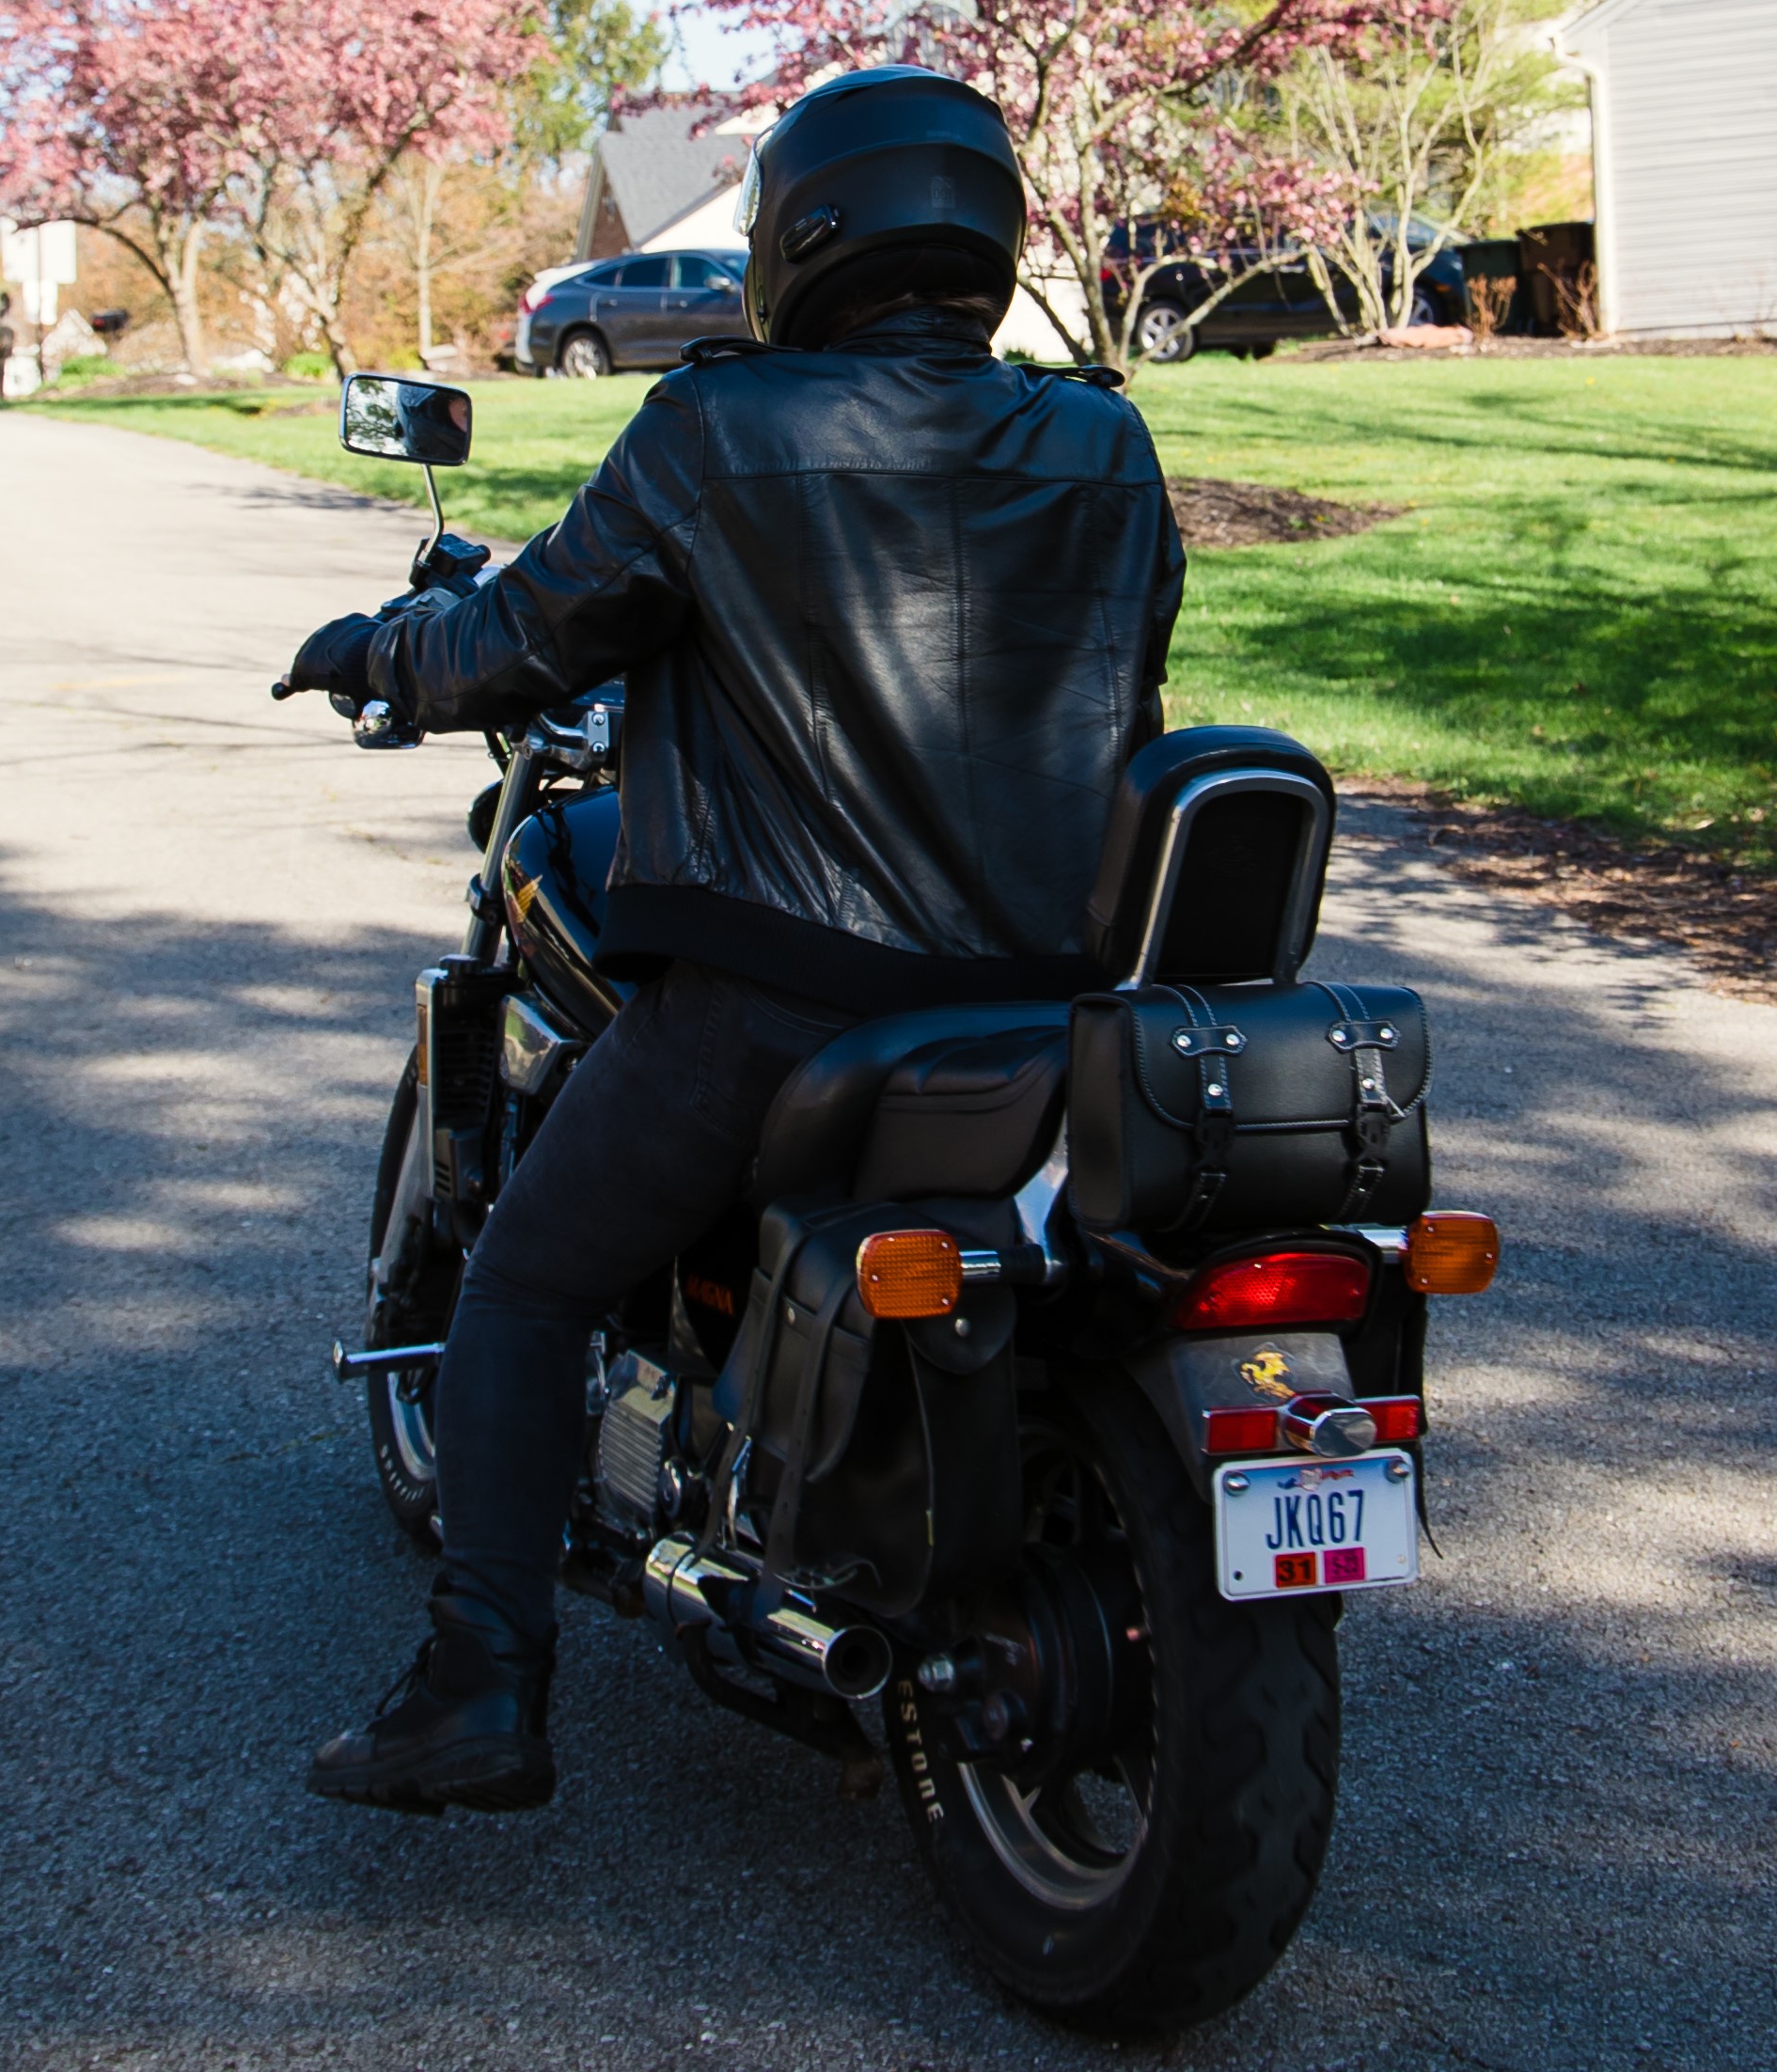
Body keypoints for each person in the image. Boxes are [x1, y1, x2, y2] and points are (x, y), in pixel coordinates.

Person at [284, 66, 1186, 1816]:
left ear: (801, 235)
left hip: (790, 1005)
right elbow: (1119, 670)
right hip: (1062, 1006)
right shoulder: (1104, 440)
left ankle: (480, 1680)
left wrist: (381, 650)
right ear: (987, 232)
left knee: (529, 1281)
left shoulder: (718, 429)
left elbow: (520, 643)